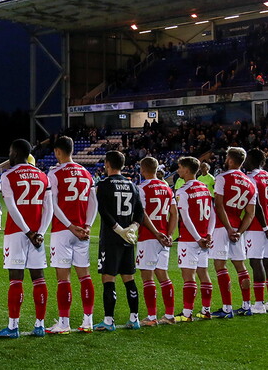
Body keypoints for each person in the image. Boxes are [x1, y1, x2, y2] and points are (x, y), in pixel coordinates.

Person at [94, 150, 169, 331]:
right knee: (129, 278)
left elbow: (103, 211)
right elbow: (140, 212)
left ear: (107, 164)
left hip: (111, 238)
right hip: (129, 238)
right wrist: (133, 228)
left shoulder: (104, 184)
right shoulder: (132, 185)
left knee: (108, 277)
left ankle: (109, 321)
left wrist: (118, 229)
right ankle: (134, 318)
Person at [0, 139, 53, 338]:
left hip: (16, 232)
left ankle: (13, 327)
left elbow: (11, 207)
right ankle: (40, 325)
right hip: (37, 234)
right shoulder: (43, 176)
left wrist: (28, 232)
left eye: (10, 152)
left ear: (16, 153)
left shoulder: (8, 175)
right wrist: (40, 233)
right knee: (38, 277)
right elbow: (49, 208)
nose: (9, 155)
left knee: (15, 278)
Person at [46, 136, 98, 334]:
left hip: (63, 231)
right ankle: (88, 321)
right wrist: (87, 225)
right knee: (85, 276)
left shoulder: (54, 173)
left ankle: (64, 322)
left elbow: (53, 203)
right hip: (82, 231)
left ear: (58, 151)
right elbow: (93, 202)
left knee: (63, 278)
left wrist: (69, 226)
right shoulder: (86, 173)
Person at [209, 147, 257, 318]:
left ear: (230, 160)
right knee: (241, 266)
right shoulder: (251, 183)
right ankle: (246, 305)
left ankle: (227, 308)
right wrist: (239, 232)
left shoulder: (222, 178)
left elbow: (219, 205)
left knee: (220, 265)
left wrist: (228, 228)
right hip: (237, 228)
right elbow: (250, 213)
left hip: (222, 227)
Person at [136, 157, 178, 327]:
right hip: (164, 238)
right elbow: (174, 213)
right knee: (163, 276)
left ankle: (151, 316)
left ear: (142, 170)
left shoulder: (142, 188)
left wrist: (156, 233)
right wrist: (169, 234)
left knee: (147, 278)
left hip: (149, 237)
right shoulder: (167, 187)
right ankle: (169, 315)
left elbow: (142, 214)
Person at [174, 157, 215, 321]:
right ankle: (206, 310)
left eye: (180, 167)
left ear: (186, 169)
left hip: (190, 239)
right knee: (203, 273)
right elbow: (212, 213)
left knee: (188, 276)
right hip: (204, 237)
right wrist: (209, 233)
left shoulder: (183, 191)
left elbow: (185, 218)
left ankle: (187, 313)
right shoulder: (204, 188)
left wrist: (197, 238)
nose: (178, 170)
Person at [243, 148, 268, 314]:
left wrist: (265, 227)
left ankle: (259, 304)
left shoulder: (251, 178)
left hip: (257, 226)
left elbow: (256, 205)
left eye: (247, 159)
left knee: (256, 262)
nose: (245, 162)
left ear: (252, 160)